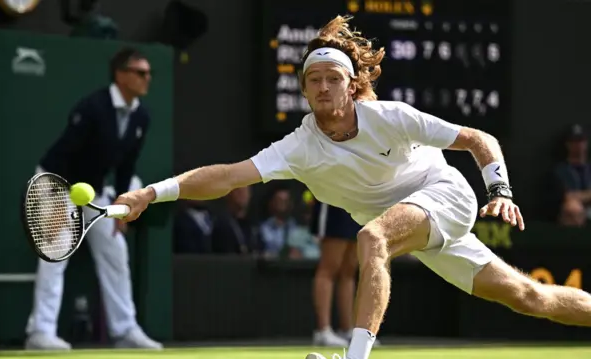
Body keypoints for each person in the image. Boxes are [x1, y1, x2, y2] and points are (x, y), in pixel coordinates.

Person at [113, 16, 591, 359]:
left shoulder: (390, 117)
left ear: (352, 84)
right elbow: (226, 176)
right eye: (313, 80)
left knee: (371, 236)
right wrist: (151, 193)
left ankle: (356, 358)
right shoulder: (299, 145)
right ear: (304, 90)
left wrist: (499, 191)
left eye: (333, 78)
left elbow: (476, 139)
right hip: (409, 222)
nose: (322, 87)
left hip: (443, 193)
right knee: (530, 298)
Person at [25, 47, 162, 350]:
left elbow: (126, 165)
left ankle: (125, 330)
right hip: (57, 181)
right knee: (55, 254)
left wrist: (126, 205)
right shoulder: (93, 108)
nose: (147, 78)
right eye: (140, 72)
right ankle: (40, 331)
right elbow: (64, 156)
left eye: (149, 73)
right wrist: (57, 206)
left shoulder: (141, 115)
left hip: (94, 191)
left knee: (116, 253)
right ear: (121, 75)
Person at [310, 200, 378, 347]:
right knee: (329, 267)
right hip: (333, 198)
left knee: (349, 270)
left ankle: (347, 330)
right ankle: (323, 331)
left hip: (357, 198)